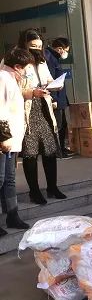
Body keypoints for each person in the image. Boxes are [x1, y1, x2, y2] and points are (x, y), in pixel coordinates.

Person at [18, 29, 67, 205]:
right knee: (30, 153)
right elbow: (10, 89)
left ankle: (52, 187)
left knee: (49, 150)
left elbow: (48, 79)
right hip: (27, 112)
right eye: (33, 46)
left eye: (39, 46)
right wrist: (32, 92)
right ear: (24, 45)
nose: (37, 50)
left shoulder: (42, 60)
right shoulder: (15, 61)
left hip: (44, 109)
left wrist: (55, 85)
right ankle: (34, 191)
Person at [0, 48, 35, 236]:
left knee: (9, 179)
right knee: (0, 179)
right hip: (4, 140)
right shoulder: (2, 78)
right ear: (17, 66)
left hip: (12, 139)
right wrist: (3, 138)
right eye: (25, 69)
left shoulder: (11, 79)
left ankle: (13, 215)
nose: (26, 73)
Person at [44, 37, 74, 158]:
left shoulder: (54, 58)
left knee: (63, 125)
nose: (66, 53)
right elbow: (50, 81)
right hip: (55, 99)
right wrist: (54, 99)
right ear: (60, 48)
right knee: (58, 126)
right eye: (66, 50)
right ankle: (57, 151)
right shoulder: (49, 58)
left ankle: (62, 148)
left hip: (60, 98)